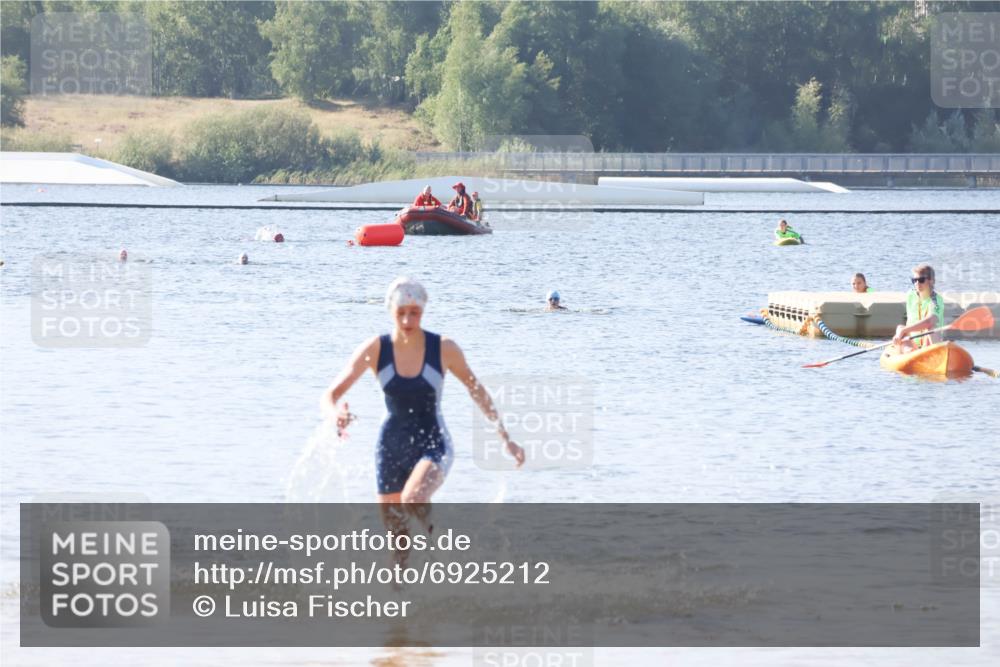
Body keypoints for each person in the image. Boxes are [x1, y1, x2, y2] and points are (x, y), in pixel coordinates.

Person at [322, 277, 524, 508]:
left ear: (424, 310)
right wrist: (335, 414)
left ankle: (445, 538)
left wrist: (505, 438)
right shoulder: (375, 349)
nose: (407, 320)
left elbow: (476, 390)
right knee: (397, 539)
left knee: (413, 499)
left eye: (415, 312)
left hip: (434, 442)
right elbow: (330, 395)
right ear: (390, 310)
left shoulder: (444, 349)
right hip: (390, 446)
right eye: (401, 313)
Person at [892, 264, 945, 353]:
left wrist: (904, 330)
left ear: (931, 281)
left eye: (921, 280)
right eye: (914, 280)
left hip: (929, 343)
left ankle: (935, 354)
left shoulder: (936, 300)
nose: (917, 283)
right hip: (912, 343)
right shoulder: (910, 295)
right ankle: (910, 352)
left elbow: (930, 321)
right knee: (900, 327)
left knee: (931, 328)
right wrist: (900, 333)